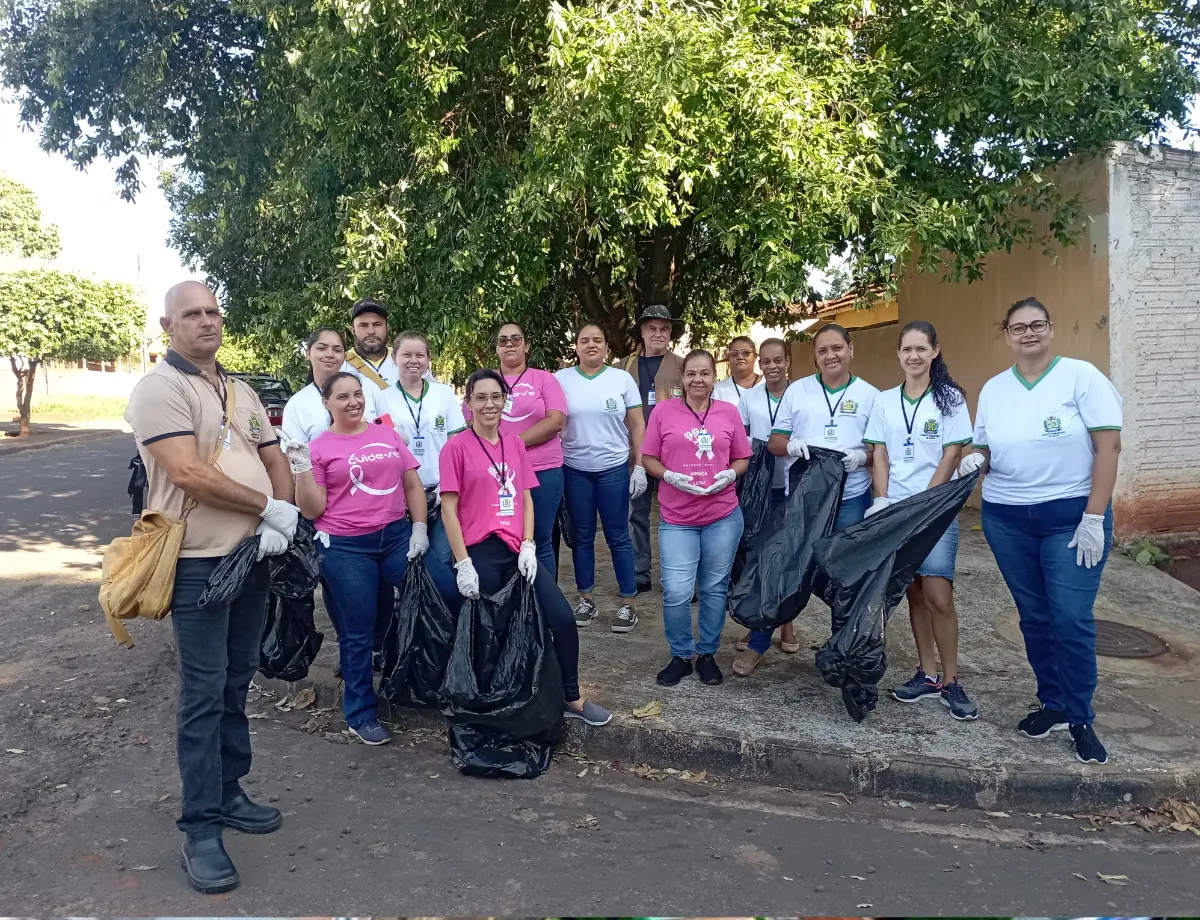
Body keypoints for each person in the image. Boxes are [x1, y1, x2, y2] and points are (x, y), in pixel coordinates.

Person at [125, 281, 298, 894]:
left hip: (250, 557)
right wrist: (266, 505)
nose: (206, 321)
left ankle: (228, 791)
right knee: (202, 692)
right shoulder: (159, 389)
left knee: (236, 677)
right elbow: (188, 472)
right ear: (168, 324)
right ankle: (200, 830)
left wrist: (284, 510)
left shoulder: (238, 388)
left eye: (214, 311)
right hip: (198, 562)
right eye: (192, 313)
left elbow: (272, 453)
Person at [962, 297, 1121, 765]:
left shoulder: (1082, 377)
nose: (1028, 333)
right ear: (1006, 334)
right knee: (1033, 616)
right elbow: (985, 446)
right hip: (1007, 518)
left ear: (1049, 330)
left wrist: (1094, 515)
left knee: (1070, 617)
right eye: (1018, 327)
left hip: (1071, 516)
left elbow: (1109, 447)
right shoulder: (994, 389)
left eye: (1037, 325)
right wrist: (977, 460)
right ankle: (1052, 701)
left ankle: (1080, 716)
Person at [440, 369, 612, 726]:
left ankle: (572, 697)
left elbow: (525, 498)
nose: (489, 404)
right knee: (493, 629)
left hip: (516, 548)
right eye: (480, 397)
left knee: (562, 619)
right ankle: (491, 705)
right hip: (480, 550)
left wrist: (530, 544)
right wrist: (463, 563)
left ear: (505, 401)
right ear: (468, 404)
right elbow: (449, 509)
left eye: (496, 397)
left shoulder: (515, 443)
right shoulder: (455, 447)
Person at [734, 325, 881, 673]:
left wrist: (864, 457)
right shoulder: (798, 391)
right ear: (814, 355)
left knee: (845, 578)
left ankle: (840, 651)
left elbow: (879, 450)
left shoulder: (870, 395)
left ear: (850, 349)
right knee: (785, 566)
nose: (830, 356)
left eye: (837, 348)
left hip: (851, 498)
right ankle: (758, 643)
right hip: (803, 498)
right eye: (822, 350)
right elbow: (774, 442)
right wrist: (792, 447)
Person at [294, 372, 427, 747]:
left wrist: (418, 527)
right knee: (357, 630)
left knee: (433, 598)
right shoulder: (319, 447)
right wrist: (303, 469)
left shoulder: (385, 434)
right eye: (343, 397)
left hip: (396, 536)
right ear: (326, 403)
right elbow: (312, 508)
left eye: (358, 395)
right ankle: (360, 711)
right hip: (346, 546)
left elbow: (412, 483)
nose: (353, 402)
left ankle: (421, 680)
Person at [863, 320, 976, 720]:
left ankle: (951, 681)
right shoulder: (884, 400)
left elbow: (951, 454)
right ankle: (926, 674)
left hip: (934, 511)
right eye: (907, 349)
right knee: (913, 593)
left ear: (934, 352)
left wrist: (927, 503)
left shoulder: (949, 399)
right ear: (899, 354)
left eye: (921, 349)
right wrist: (881, 500)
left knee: (939, 596)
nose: (913, 356)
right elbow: (879, 453)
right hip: (895, 512)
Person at [642, 349, 751, 687]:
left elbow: (742, 457)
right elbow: (648, 457)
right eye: (692, 374)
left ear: (713, 377)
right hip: (677, 517)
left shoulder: (728, 413)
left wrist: (731, 475)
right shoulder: (663, 411)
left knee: (714, 588)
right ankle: (680, 655)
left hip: (722, 515)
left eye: (705, 373)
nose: (698, 380)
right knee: (676, 589)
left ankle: (706, 654)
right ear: (683, 378)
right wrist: (670, 476)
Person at [555, 323, 647, 632]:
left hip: (613, 468)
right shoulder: (561, 379)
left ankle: (628, 604)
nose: (591, 344)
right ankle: (586, 600)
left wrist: (640, 465)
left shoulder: (621, 379)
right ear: (576, 347)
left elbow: (636, 424)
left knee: (618, 536)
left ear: (606, 346)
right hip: (575, 469)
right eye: (584, 340)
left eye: (598, 339)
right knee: (582, 537)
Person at [464, 322, 567, 580]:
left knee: (540, 538)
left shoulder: (544, 379)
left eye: (516, 339)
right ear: (496, 349)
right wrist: (500, 454)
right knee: (501, 537)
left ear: (526, 346)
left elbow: (556, 421)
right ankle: (511, 603)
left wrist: (511, 446)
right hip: (493, 473)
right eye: (502, 340)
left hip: (543, 470)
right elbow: (469, 423)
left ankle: (542, 606)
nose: (509, 344)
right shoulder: (483, 381)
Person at [375, 330, 467, 603]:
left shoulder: (444, 394)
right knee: (408, 564)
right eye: (406, 354)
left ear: (428, 359)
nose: (413, 361)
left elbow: (457, 444)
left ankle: (446, 624)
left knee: (438, 560)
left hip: (441, 492)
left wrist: (449, 484)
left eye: (420, 355)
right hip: (403, 497)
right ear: (394, 359)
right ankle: (414, 625)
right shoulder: (382, 397)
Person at [621, 304, 685, 593]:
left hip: (674, 455)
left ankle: (679, 575)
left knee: (678, 515)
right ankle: (640, 571)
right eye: (652, 328)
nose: (658, 333)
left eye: (663, 329)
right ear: (642, 332)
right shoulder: (623, 367)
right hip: (636, 454)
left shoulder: (684, 366)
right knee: (636, 512)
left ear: (670, 333)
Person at [282, 328, 379, 444]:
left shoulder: (368, 388)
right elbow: (295, 456)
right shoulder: (296, 404)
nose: (330, 355)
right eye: (322, 348)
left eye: (337, 350)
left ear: (344, 356)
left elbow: (390, 428)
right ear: (308, 353)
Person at [341, 298, 401, 391]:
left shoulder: (404, 358)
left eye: (377, 324)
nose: (371, 331)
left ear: (387, 328)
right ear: (353, 330)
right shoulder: (341, 364)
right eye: (363, 325)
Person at [713, 335, 761, 405]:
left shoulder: (769, 385)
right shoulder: (717, 391)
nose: (740, 357)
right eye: (734, 354)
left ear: (755, 357)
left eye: (745, 353)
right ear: (729, 358)